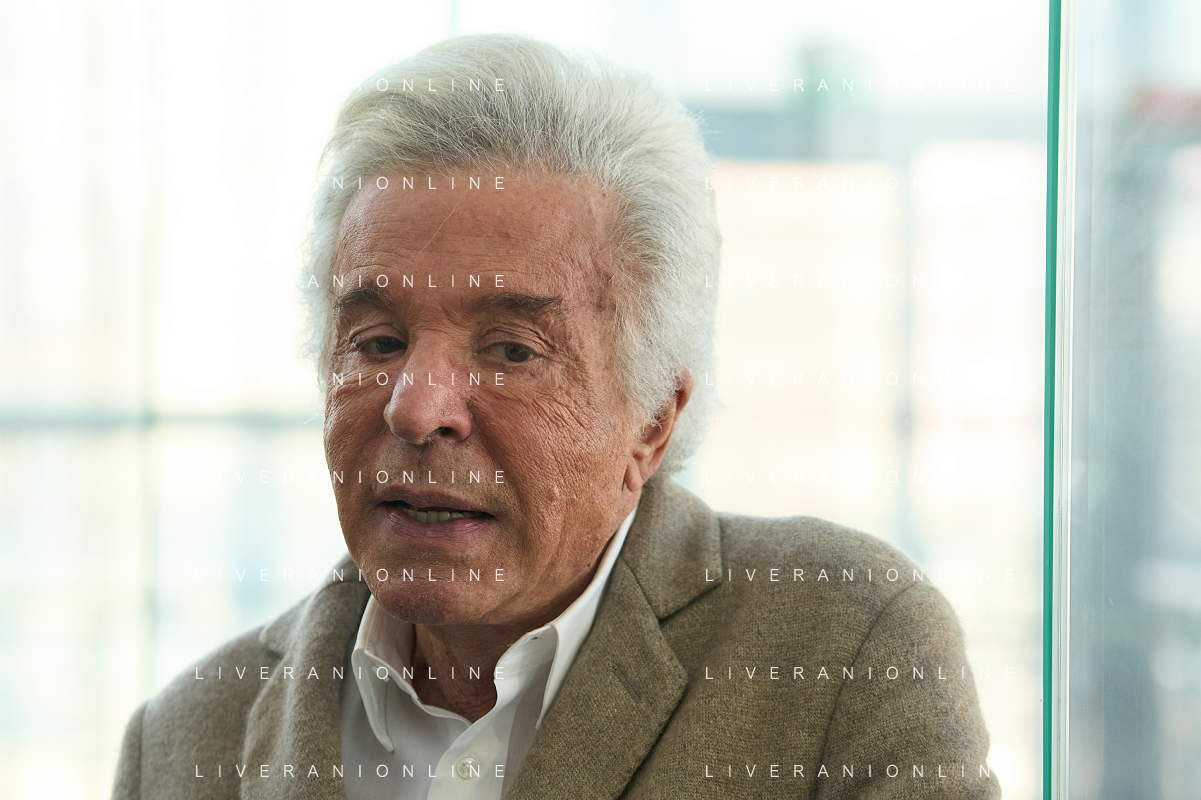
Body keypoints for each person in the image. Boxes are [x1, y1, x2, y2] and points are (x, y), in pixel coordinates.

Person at [112, 33, 1000, 800]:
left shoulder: (843, 647)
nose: (416, 408)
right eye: (377, 341)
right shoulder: (182, 742)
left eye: (511, 350)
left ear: (652, 421)